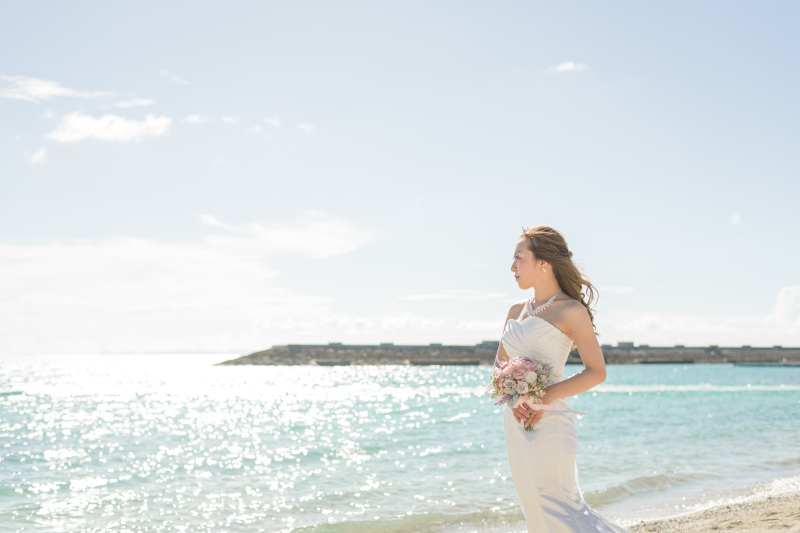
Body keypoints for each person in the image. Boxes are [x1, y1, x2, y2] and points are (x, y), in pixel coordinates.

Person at [495, 226, 630, 533]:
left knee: (557, 506)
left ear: (544, 263)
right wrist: (514, 397)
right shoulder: (515, 311)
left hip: (550, 422)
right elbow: (499, 369)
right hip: (515, 421)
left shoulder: (571, 311)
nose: (512, 267)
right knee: (534, 508)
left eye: (519, 258)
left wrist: (543, 397)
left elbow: (597, 371)